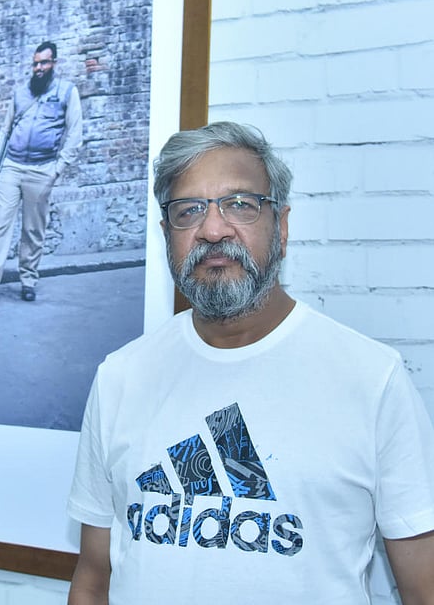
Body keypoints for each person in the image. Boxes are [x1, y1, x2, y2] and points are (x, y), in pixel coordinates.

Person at [67, 122, 434, 604]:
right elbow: (94, 577)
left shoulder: (371, 378)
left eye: (240, 204)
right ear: (166, 234)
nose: (213, 229)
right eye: (188, 210)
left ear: (280, 226)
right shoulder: (121, 376)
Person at [0, 41, 82, 305]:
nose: (39, 68)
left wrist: (57, 170)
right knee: (0, 225)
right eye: (35, 63)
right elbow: (5, 130)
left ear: (54, 63)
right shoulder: (21, 93)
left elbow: (75, 133)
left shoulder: (67, 91)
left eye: (44, 62)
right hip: (12, 166)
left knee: (33, 230)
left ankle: (28, 279)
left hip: (42, 169)